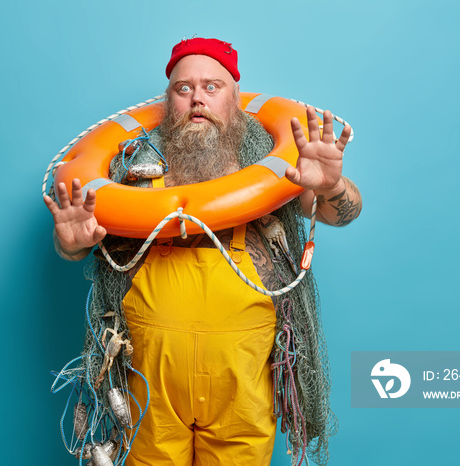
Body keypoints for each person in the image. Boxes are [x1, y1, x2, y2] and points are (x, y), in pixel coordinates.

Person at [44, 38, 361, 466]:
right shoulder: (128, 168)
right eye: (183, 88)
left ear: (236, 98)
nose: (197, 99)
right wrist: (69, 243)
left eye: (212, 86)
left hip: (242, 395)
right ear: (168, 100)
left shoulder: (275, 163)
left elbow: (343, 213)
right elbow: (83, 250)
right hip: (149, 397)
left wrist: (331, 186)